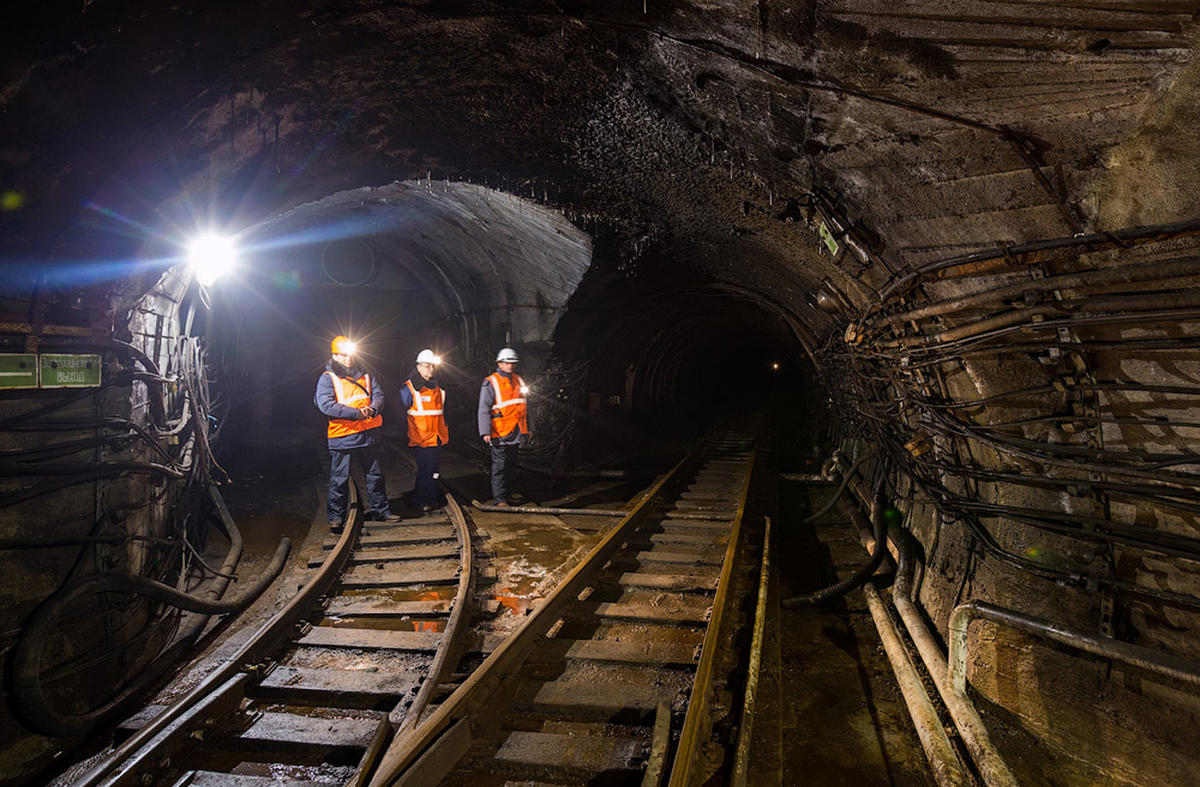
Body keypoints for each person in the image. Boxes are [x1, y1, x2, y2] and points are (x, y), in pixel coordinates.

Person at [314, 335, 401, 530]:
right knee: (340, 478)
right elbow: (325, 405)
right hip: (343, 434)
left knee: (375, 475)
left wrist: (373, 409)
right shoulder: (328, 379)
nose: (347, 359)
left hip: (368, 433)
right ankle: (336, 517)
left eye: (350, 355)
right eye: (343, 355)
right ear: (334, 356)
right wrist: (356, 414)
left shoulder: (365, 375)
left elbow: (378, 394)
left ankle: (381, 511)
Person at [477, 347, 530, 506]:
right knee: (499, 467)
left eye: (512, 363)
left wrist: (530, 427)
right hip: (499, 432)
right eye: (507, 363)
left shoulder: (519, 380)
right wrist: (485, 431)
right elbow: (484, 408)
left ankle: (507, 495)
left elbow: (526, 406)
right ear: (499, 363)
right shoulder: (491, 381)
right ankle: (499, 499)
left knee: (510, 466)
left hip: (515, 431)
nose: (510, 366)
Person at [398, 349, 448, 512]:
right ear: (418, 367)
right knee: (425, 471)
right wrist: (407, 432)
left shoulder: (437, 388)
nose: (430, 370)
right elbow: (399, 412)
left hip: (436, 437)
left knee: (434, 471)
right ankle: (420, 499)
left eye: (432, 367)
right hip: (421, 438)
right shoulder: (409, 388)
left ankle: (431, 498)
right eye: (427, 366)